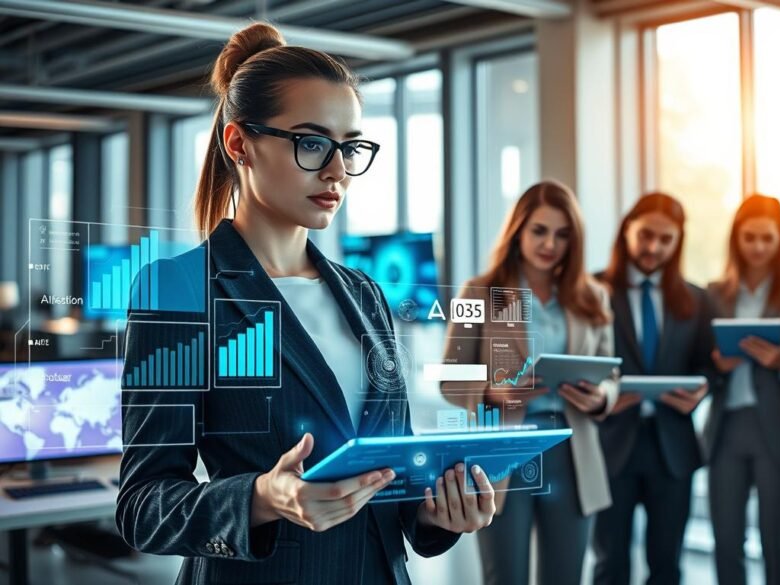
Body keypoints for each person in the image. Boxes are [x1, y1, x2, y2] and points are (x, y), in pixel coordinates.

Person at [116, 23, 495, 585]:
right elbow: (143, 505)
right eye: (312, 142)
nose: (338, 170)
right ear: (239, 143)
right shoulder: (179, 288)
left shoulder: (363, 293)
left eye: (350, 146)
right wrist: (262, 498)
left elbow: (393, 479)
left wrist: (440, 513)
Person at [441, 180, 618, 585]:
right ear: (518, 229)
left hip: (572, 452)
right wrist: (490, 391)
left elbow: (611, 376)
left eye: (561, 234)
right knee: (505, 577)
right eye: (539, 230)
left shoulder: (593, 297)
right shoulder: (479, 292)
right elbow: (450, 379)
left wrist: (600, 397)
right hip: (505, 452)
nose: (549, 244)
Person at [592, 193, 714, 585]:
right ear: (626, 229)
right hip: (611, 443)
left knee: (667, 564)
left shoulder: (696, 298)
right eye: (646, 235)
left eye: (666, 239)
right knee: (610, 563)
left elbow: (707, 364)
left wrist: (702, 389)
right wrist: (599, 397)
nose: (653, 247)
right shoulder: (593, 290)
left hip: (672, 446)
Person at [704, 194, 780, 585]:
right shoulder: (715, 293)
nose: (758, 247)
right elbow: (700, 362)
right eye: (749, 237)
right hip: (727, 428)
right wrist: (717, 366)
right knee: (727, 542)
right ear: (736, 238)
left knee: (776, 541)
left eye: (768, 238)